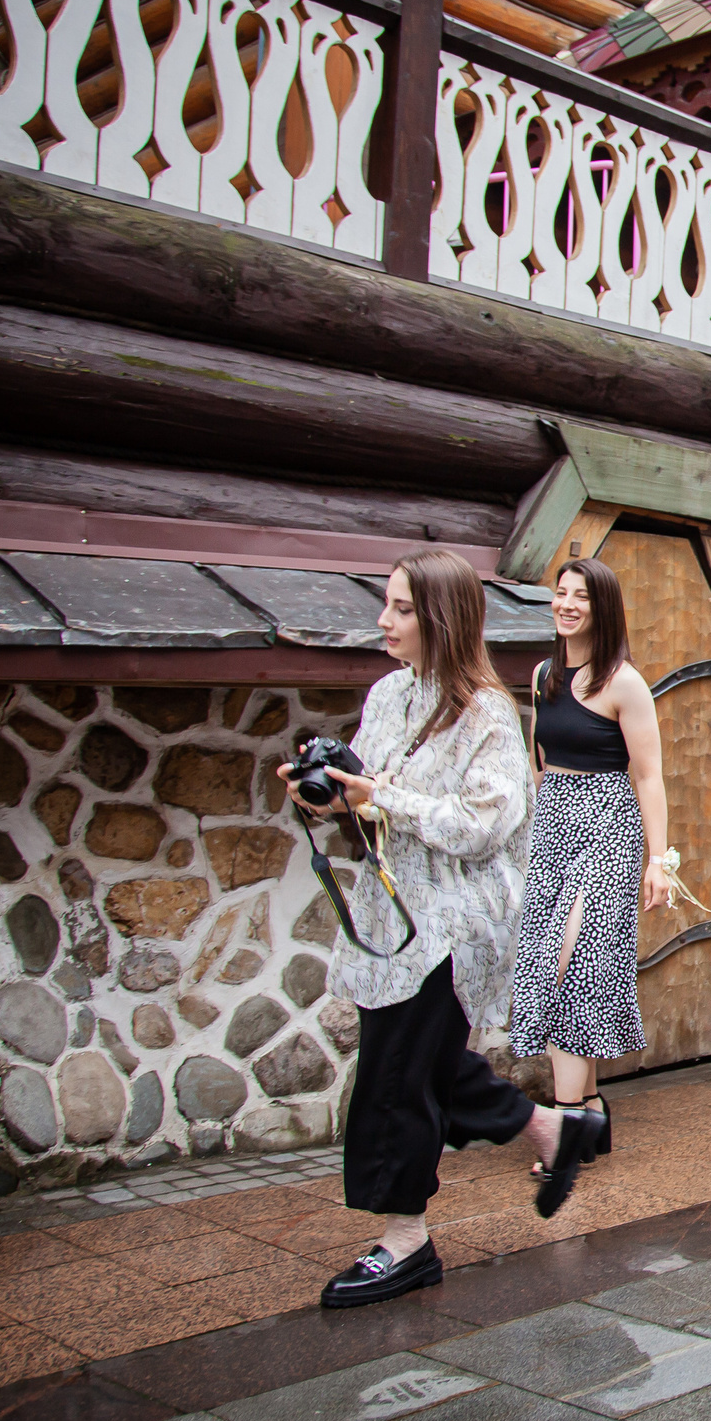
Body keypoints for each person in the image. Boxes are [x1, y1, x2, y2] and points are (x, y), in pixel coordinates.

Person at [281, 549, 603, 1309]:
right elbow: (370, 800)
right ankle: (554, 1130)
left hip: (455, 928)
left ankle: (406, 1242)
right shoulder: (389, 694)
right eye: (386, 604)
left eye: (401, 608)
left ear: (441, 617)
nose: (383, 621)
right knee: (420, 1066)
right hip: (392, 921)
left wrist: (381, 797)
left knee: (397, 1078)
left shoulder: (487, 713)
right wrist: (328, 797)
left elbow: (483, 825)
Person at [510, 557, 674, 1166]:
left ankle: (565, 1126)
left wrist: (659, 860)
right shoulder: (543, 675)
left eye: (581, 596)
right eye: (561, 593)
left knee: (572, 964)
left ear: (603, 609)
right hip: (553, 824)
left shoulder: (624, 683)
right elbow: (540, 760)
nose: (567, 604)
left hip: (607, 825)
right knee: (559, 968)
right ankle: (591, 1109)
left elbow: (649, 776)